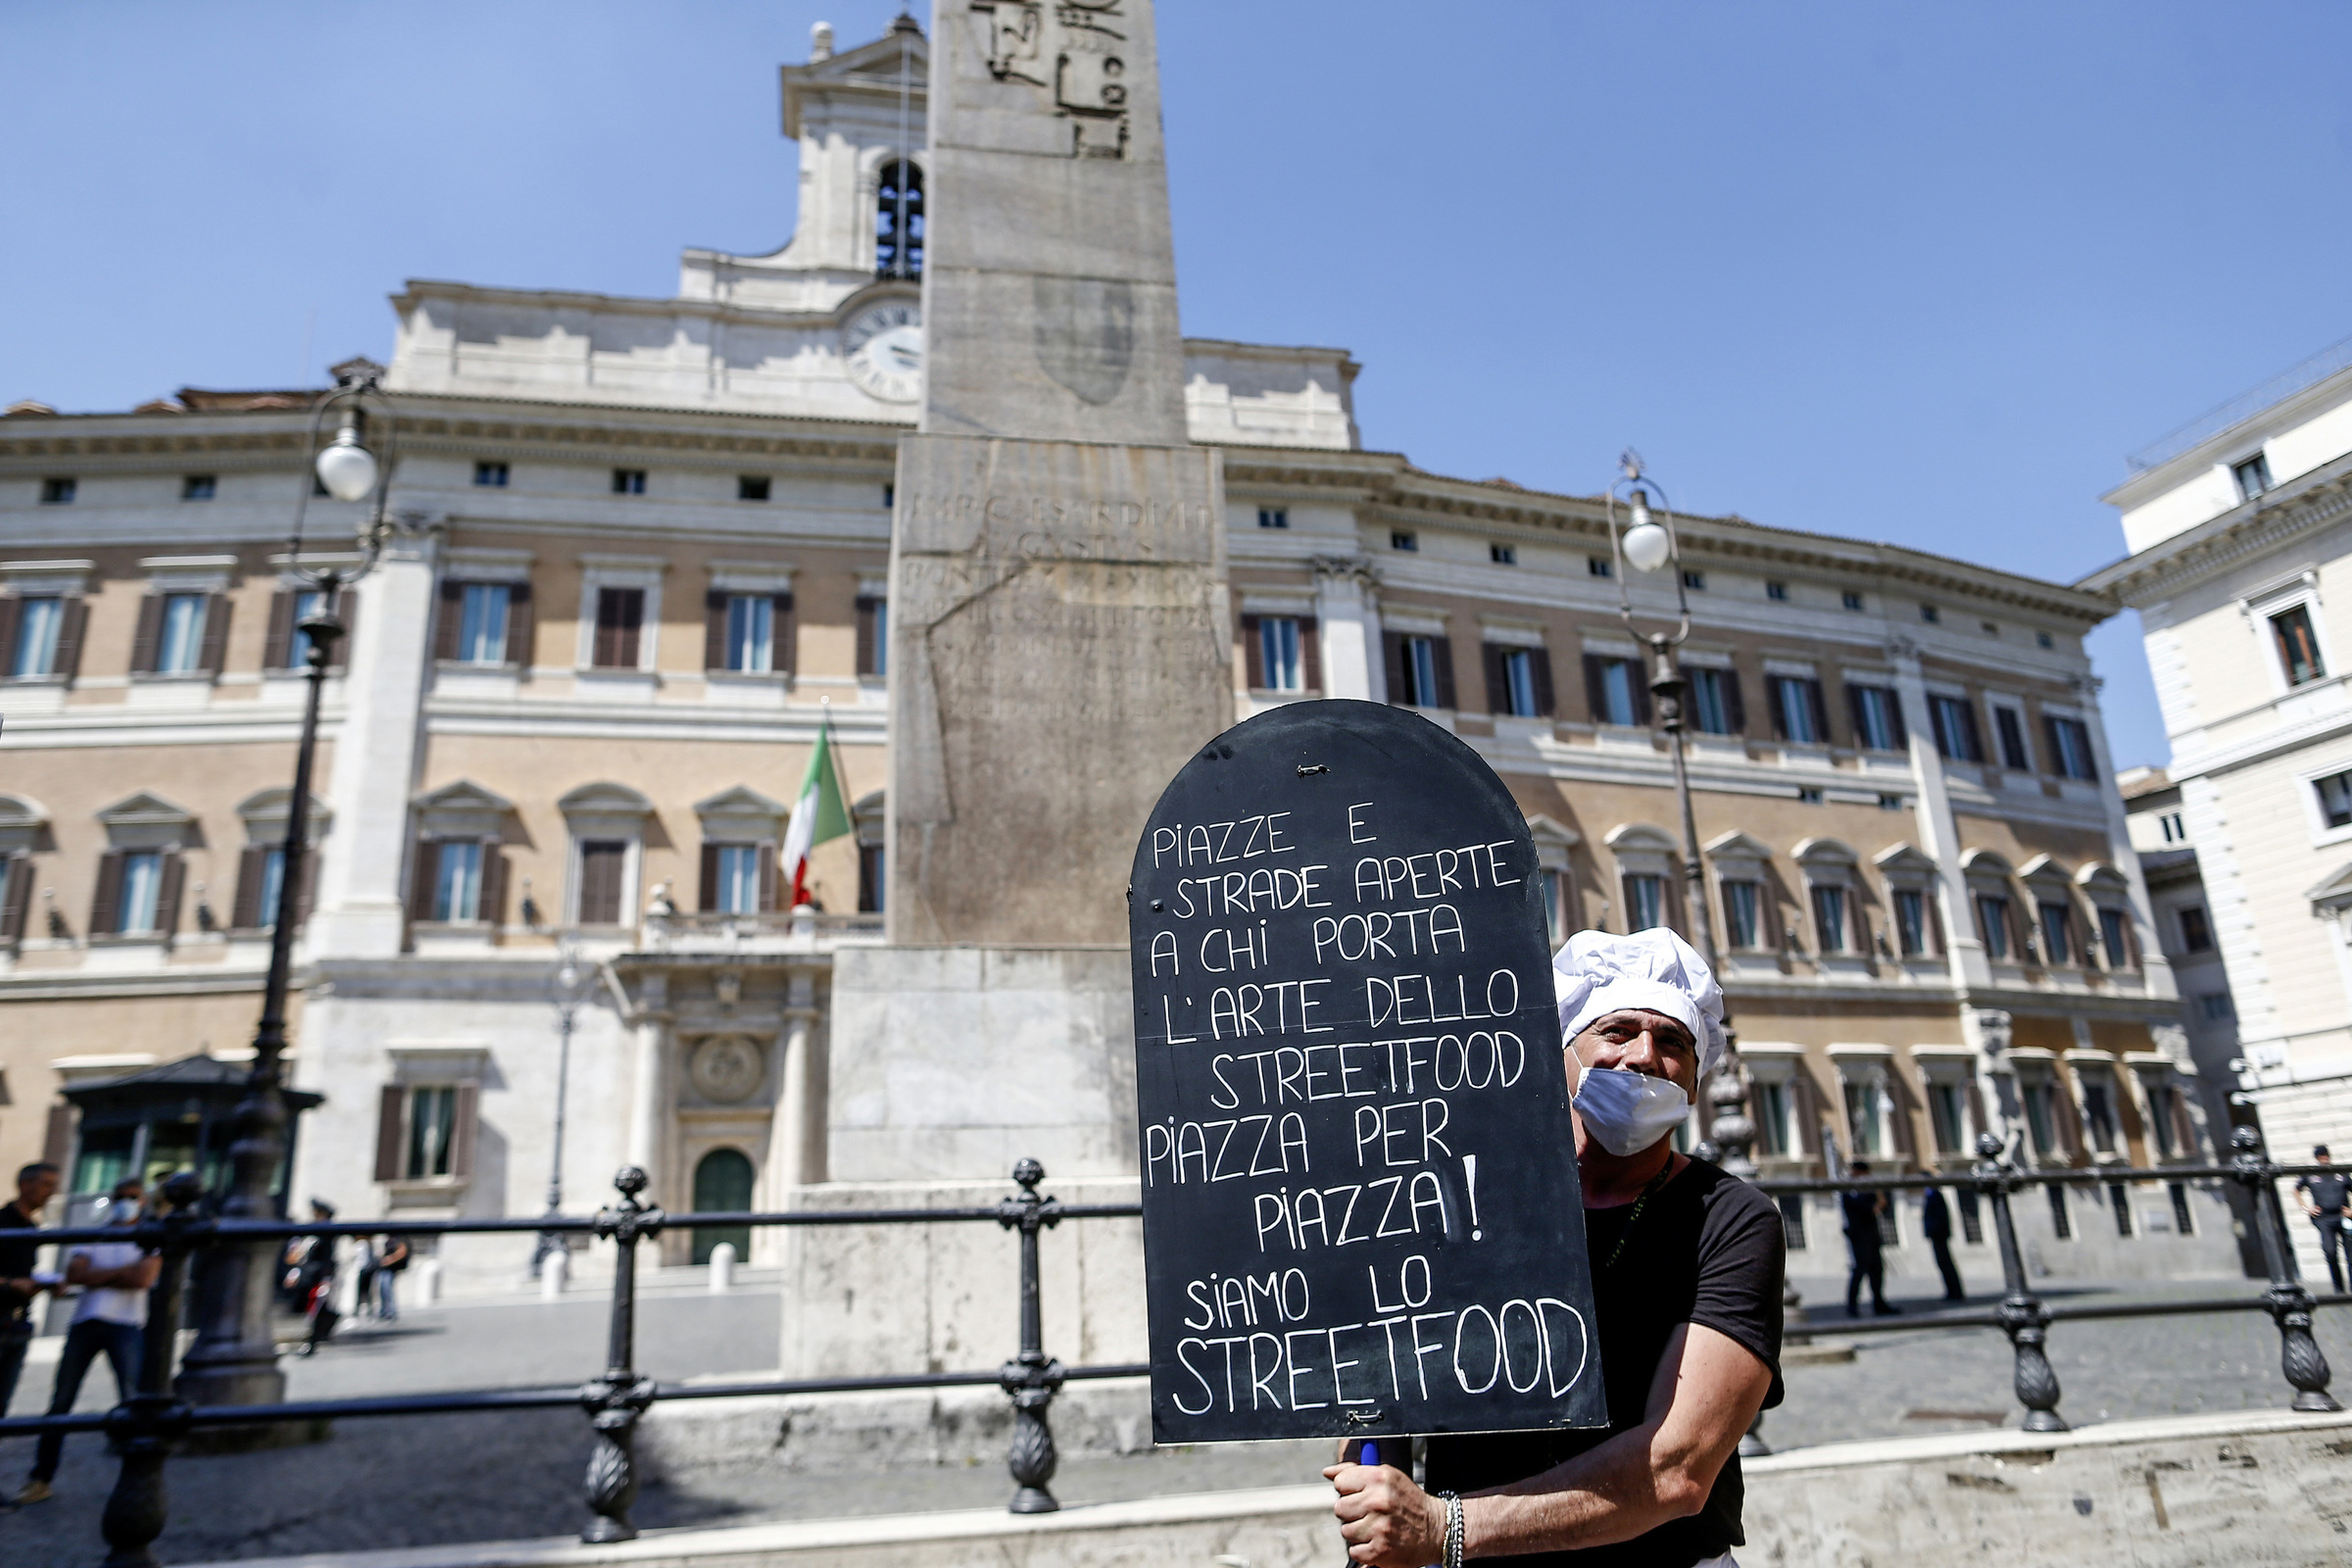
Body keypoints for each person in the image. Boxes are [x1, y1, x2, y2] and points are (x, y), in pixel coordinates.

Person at [1328, 927, 1785, 1568]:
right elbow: (1385, 1390)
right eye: (1618, 1031)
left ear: (1696, 1077)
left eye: (1674, 1041)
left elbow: (1678, 1467)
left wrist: (1445, 1528)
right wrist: (1379, 1515)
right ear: (1562, 1053)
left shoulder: (1731, 1218)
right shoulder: (1463, 1196)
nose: (1645, 1055)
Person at [16, 1178, 160, 1506]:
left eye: (132, 1198)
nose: (125, 1202)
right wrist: (122, 1273)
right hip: (86, 1323)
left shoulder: (150, 1237)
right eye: (120, 1197)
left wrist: (100, 1275)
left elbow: (142, 1279)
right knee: (60, 1402)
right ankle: (41, 1478)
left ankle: (136, 1481)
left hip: (126, 1325)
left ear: (143, 1201)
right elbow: (75, 1274)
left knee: (131, 1401)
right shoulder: (98, 1231)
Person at [1, 1162, 63, 1416]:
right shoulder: (3, 1221)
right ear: (25, 1184)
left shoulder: (32, 1227)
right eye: (46, 1184)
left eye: (53, 1186)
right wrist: (10, 1283)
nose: (50, 1192)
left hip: (19, 1321)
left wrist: (43, 1284)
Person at [1840, 1161, 1898, 1318]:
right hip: (1858, 1236)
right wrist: (1876, 1205)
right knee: (1859, 1270)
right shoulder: (1849, 1189)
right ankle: (1852, 1305)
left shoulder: (1868, 1188)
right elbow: (1866, 1209)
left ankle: (1878, 1302)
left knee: (1877, 1270)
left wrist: (1878, 1197)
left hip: (1871, 1234)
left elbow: (1883, 1207)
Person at [285, 1199, 339, 1355]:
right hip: (310, 1276)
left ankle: (312, 1342)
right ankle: (317, 1336)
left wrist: (326, 1278)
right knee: (315, 1308)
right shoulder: (314, 1231)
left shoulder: (325, 1232)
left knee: (315, 1308)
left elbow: (325, 1258)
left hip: (318, 1276)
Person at [2295, 1146, 2351, 1295]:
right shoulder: (2311, 1175)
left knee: (2350, 1253)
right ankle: (2339, 1288)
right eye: (2321, 1156)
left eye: (2326, 1155)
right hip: (2324, 1219)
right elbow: (2296, 1190)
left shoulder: (2340, 1172)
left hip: (2343, 1217)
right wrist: (2306, 1209)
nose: (2324, 1158)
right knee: (2330, 1251)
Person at [1921, 1186, 1965, 1302]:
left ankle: (1955, 1292)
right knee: (1944, 1263)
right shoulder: (1932, 1195)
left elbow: (1939, 1215)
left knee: (1945, 1263)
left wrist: (1935, 1231)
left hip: (1939, 1234)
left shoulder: (1934, 1195)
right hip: (1938, 1234)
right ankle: (1952, 1291)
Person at [375, 1234, 410, 1322]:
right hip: (385, 1269)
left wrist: (389, 1260)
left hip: (390, 1269)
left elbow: (402, 1251)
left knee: (387, 1290)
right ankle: (385, 1311)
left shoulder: (397, 1240)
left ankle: (390, 1311)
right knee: (383, 1290)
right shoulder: (389, 1241)